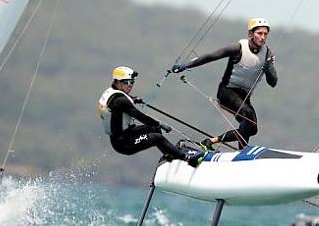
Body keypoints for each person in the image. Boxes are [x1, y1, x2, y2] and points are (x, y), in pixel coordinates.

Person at [170, 17, 278, 150]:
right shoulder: (238, 48)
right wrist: (186, 65)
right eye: (259, 33)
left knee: (251, 128)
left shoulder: (267, 54)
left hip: (244, 97)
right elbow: (211, 56)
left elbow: (273, 82)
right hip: (227, 92)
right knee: (248, 116)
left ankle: (212, 142)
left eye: (265, 34)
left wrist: (268, 70)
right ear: (251, 34)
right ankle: (242, 151)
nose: (262, 37)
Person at [98, 66, 202, 167]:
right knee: (157, 137)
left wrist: (133, 99)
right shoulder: (121, 101)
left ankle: (169, 155)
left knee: (154, 129)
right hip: (124, 144)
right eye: (127, 82)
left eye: (132, 82)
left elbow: (116, 104)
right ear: (118, 82)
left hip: (127, 134)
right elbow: (141, 117)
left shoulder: (111, 92)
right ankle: (187, 159)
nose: (130, 85)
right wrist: (159, 124)